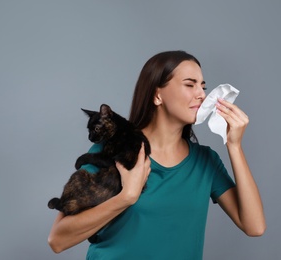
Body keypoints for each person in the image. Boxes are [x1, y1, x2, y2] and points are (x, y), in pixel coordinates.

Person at [48, 50, 266, 259]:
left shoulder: (205, 161)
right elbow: (57, 240)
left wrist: (234, 145)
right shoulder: (112, 148)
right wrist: (127, 197)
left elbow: (254, 226)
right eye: (190, 85)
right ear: (157, 95)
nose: (201, 94)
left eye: (203, 86)